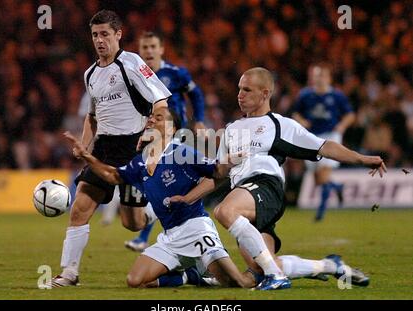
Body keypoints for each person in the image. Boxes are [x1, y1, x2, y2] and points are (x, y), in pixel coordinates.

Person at [170, 67, 385, 290]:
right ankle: (330, 266)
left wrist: (361, 158)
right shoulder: (231, 130)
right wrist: (188, 198)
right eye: (239, 89)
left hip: (265, 187)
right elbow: (218, 174)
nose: (240, 95)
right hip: (244, 197)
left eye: (247, 90)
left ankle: (277, 277)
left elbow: (324, 146)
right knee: (259, 270)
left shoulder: (281, 125)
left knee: (225, 211)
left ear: (265, 94)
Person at [64, 106, 259, 289]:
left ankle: (274, 269)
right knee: (135, 281)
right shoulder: (140, 161)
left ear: (171, 128)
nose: (151, 121)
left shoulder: (182, 152)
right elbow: (113, 176)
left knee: (237, 282)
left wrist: (231, 160)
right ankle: (188, 275)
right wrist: (86, 157)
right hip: (170, 237)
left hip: (197, 230)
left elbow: (217, 170)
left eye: (158, 118)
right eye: (150, 117)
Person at [51, 10, 171, 287]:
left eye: (105, 34)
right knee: (80, 207)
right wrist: (84, 144)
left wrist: (156, 132)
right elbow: (92, 116)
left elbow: (160, 99)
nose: (99, 40)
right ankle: (69, 273)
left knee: (133, 223)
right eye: (95, 35)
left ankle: (154, 210)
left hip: (133, 147)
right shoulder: (90, 74)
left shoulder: (131, 63)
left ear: (118, 34)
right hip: (104, 148)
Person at [124, 31, 206, 252]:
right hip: (150, 133)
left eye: (152, 47)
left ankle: (195, 225)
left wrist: (198, 120)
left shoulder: (176, 73)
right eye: (144, 48)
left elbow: (196, 94)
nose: (149, 51)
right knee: (158, 183)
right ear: (139, 51)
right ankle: (156, 233)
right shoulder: (134, 76)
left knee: (176, 181)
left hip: (174, 133)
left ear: (161, 49)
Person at [292, 63, 355, 221]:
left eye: (322, 75)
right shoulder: (305, 95)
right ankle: (337, 187)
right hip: (311, 137)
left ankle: (321, 211)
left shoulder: (337, 96)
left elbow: (350, 114)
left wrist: (342, 126)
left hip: (330, 137)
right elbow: (295, 113)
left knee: (324, 173)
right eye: (316, 75)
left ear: (329, 78)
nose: (319, 79)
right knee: (318, 179)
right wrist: (302, 121)